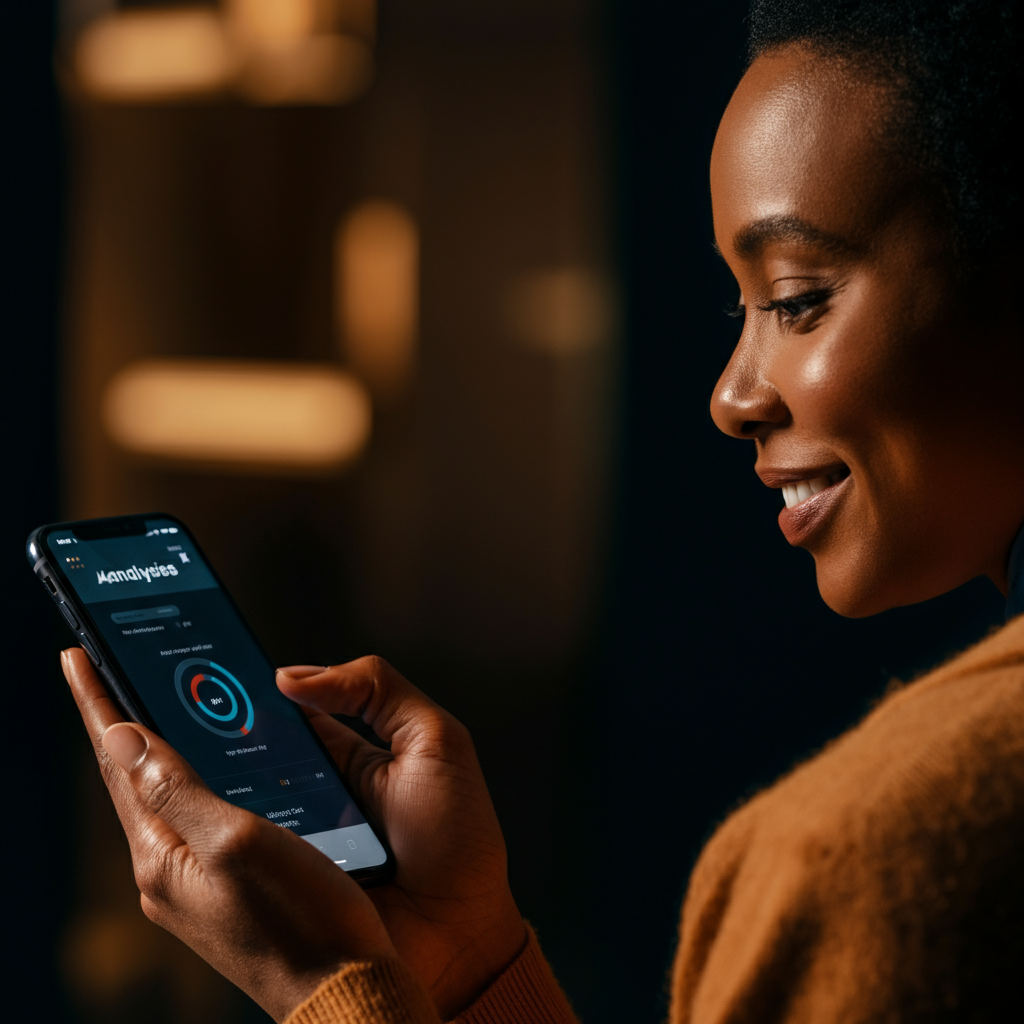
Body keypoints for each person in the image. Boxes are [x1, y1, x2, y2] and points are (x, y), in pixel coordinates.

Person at [62, 0, 1023, 1020]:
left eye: (793, 298)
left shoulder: (876, 863)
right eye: (737, 308)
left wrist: (326, 990)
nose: (732, 395)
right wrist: (467, 962)